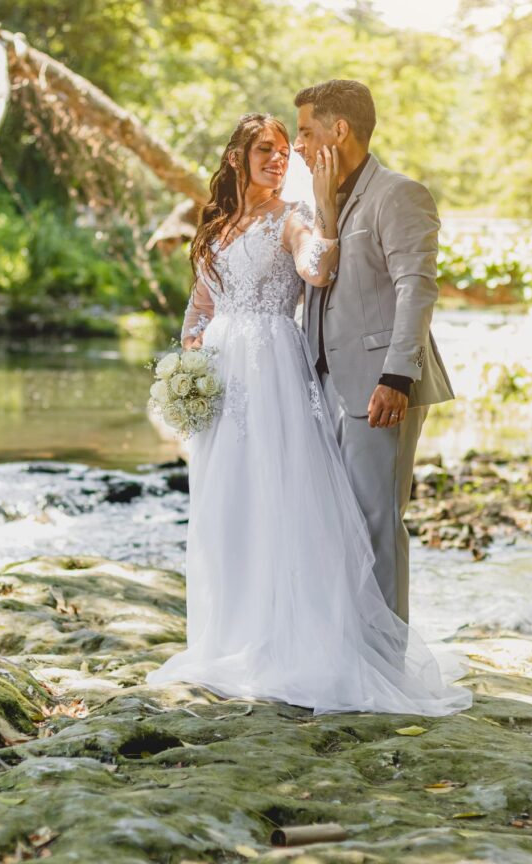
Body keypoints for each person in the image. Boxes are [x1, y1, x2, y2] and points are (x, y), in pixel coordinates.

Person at [145, 112, 471, 717]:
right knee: (226, 498)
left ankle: (291, 639)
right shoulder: (216, 223)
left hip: (271, 368)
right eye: (263, 149)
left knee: (279, 494)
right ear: (237, 156)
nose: (275, 158)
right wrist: (188, 349)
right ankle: (230, 636)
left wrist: (320, 204)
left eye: (281, 149)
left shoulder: (291, 217)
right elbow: (202, 299)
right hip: (221, 372)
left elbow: (319, 268)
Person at [295, 80, 454, 625]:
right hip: (325, 387)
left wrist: (397, 378)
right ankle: (348, 651)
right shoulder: (324, 199)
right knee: (335, 523)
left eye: (305, 131)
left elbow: (417, 288)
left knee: (376, 524)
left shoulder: (399, 194)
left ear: (338, 131)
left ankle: (386, 669)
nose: (297, 145)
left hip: (381, 386)